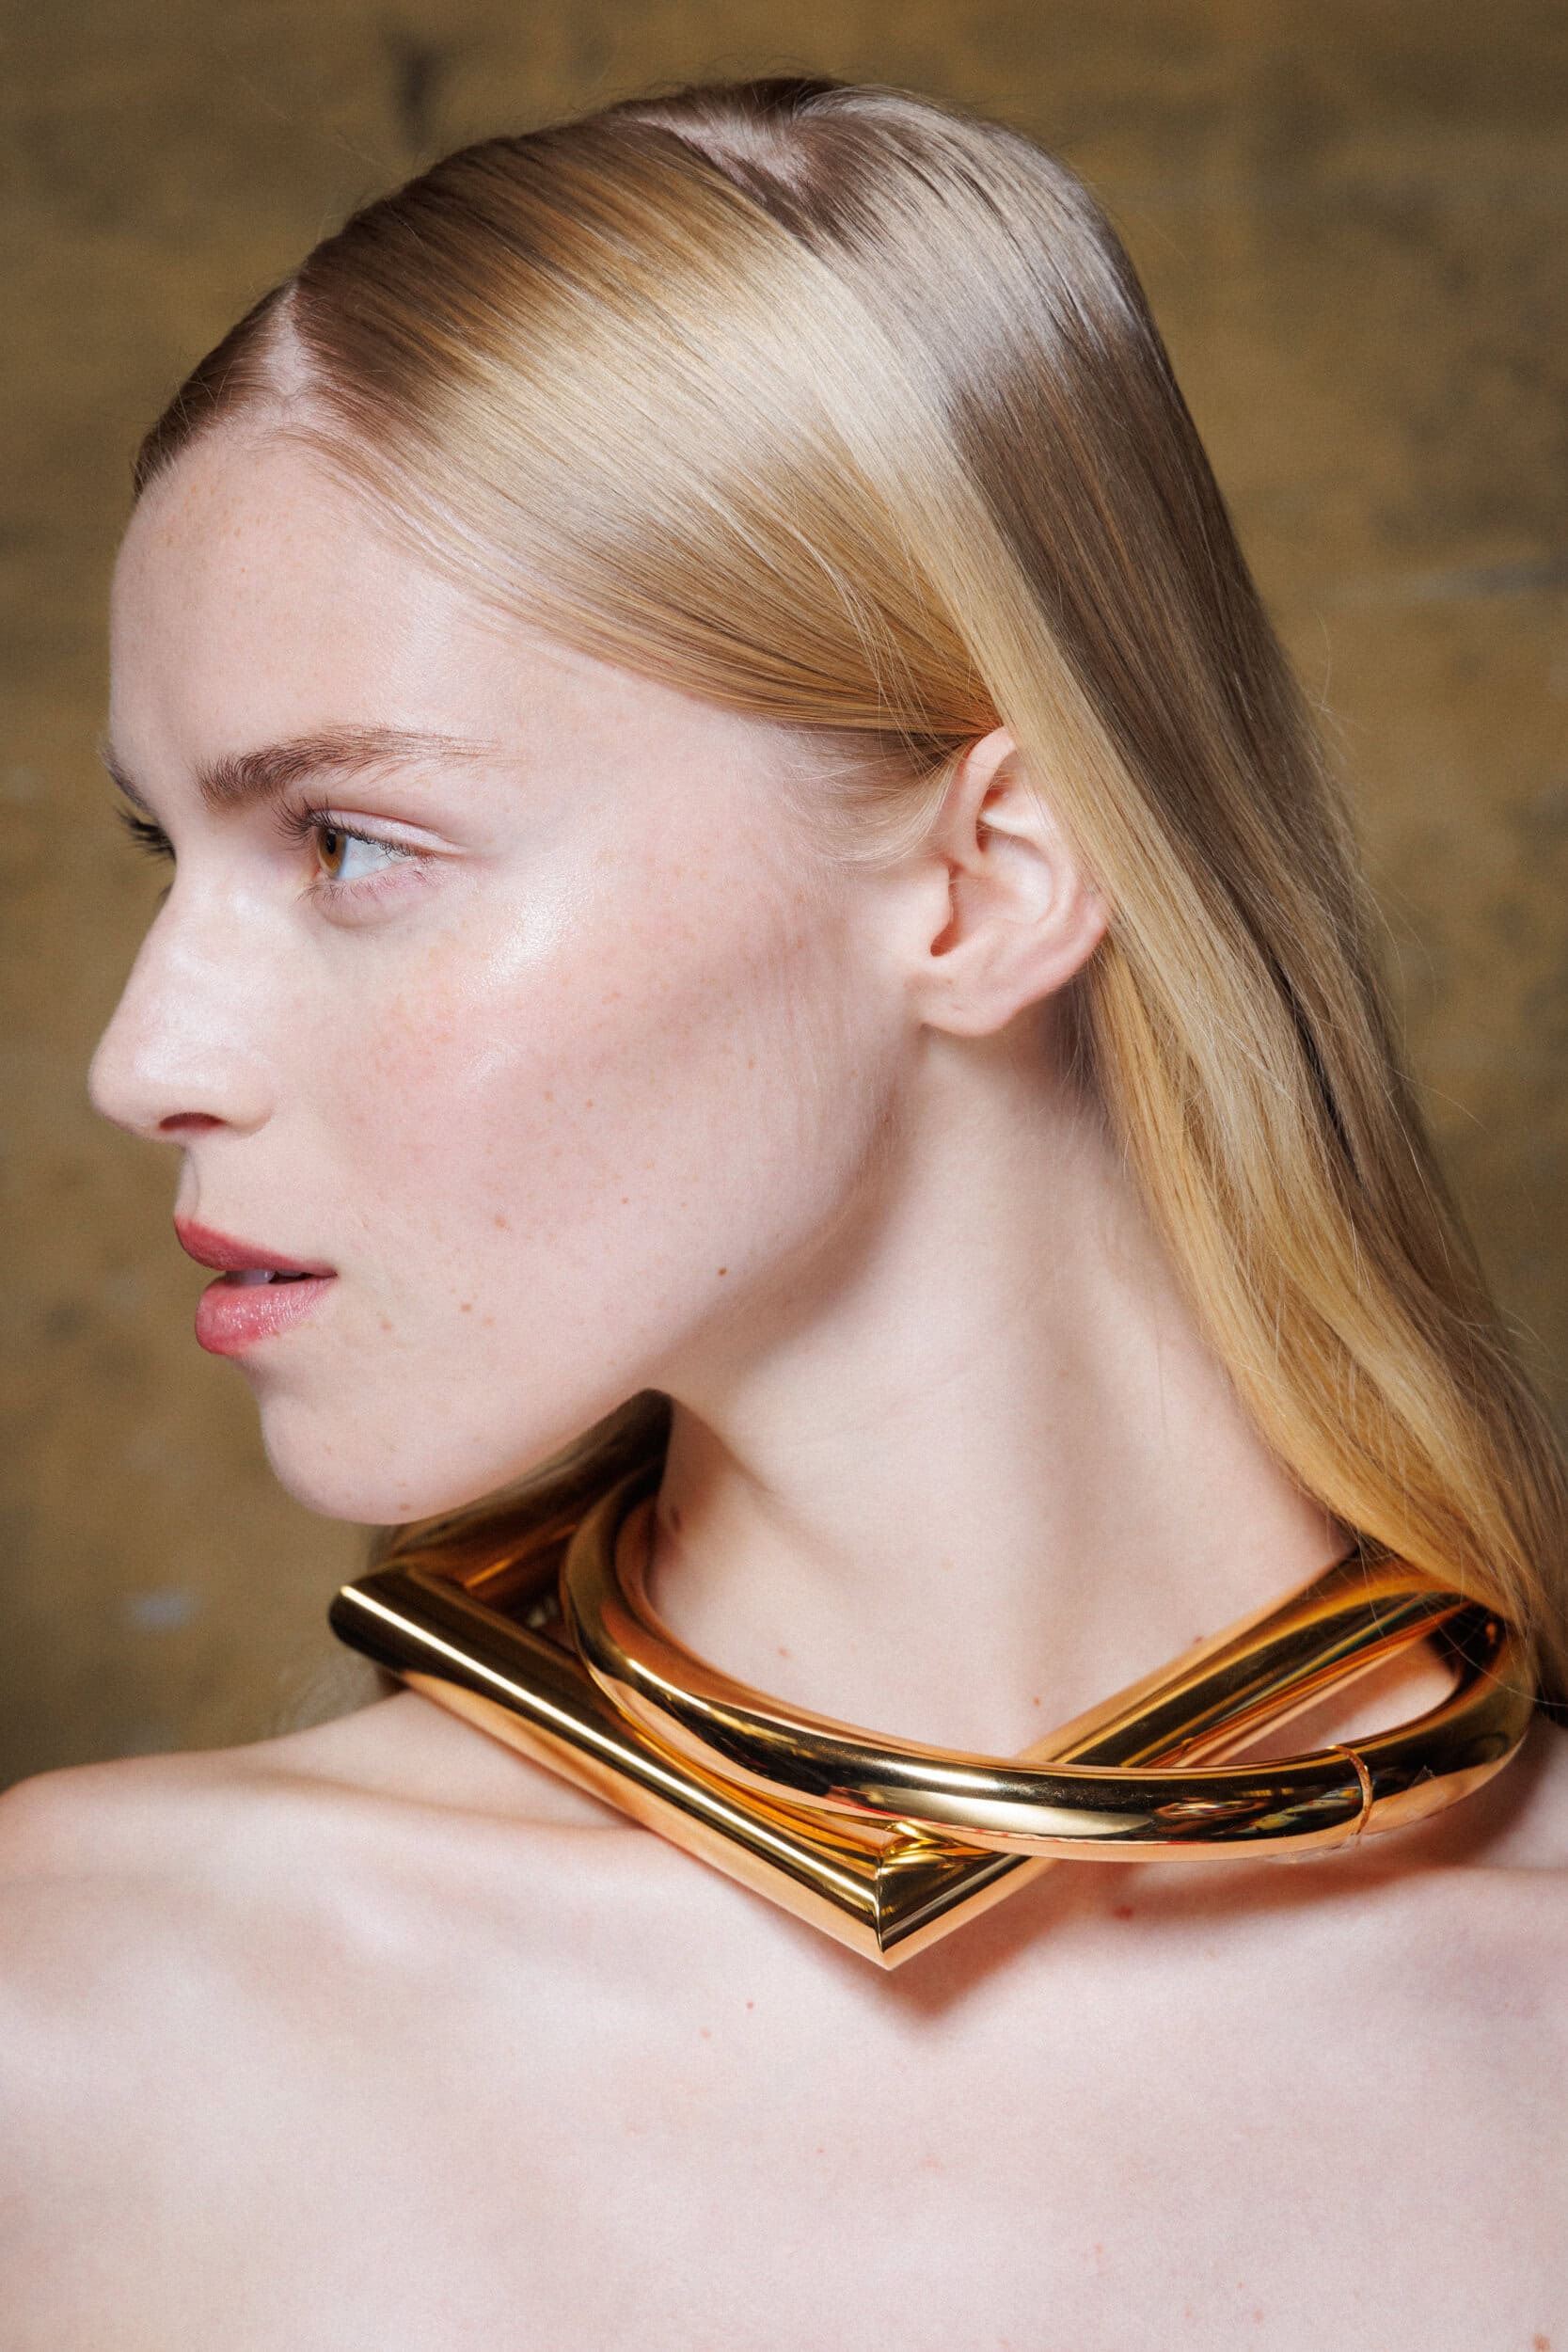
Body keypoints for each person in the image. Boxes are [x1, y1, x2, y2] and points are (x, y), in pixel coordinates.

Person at [2, 75, 1564, 2349]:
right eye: (178, 852)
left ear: (982, 880)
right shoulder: (77, 2027)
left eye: (348, 842)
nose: (144, 1055)